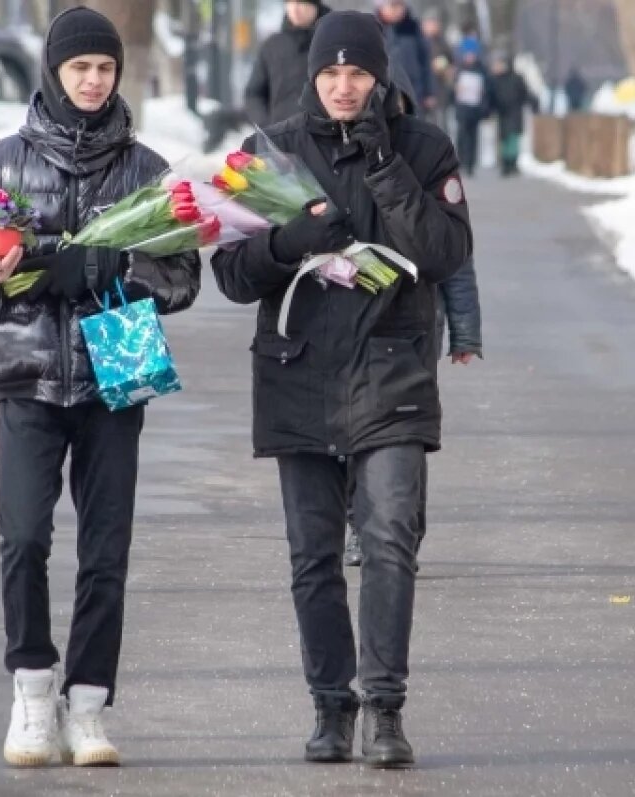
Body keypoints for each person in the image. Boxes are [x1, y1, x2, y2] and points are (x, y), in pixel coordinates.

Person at [0, 7, 200, 769]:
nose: (93, 80)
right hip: (27, 374)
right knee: (23, 535)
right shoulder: (1, 164)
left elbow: (182, 277)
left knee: (105, 546)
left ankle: (87, 703)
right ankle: (30, 689)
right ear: (54, 72)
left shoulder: (147, 171)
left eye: (105, 69)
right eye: (80, 68)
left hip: (115, 373)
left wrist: (117, 268)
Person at [210, 10, 472, 769]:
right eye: (331, 73)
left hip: (393, 369)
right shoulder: (273, 153)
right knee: (313, 556)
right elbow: (229, 274)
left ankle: (385, 709)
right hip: (299, 371)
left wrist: (386, 168)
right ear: (314, 75)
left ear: (380, 75)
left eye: (359, 73)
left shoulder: (424, 148)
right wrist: (290, 241)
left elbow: (446, 251)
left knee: (390, 538)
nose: (344, 86)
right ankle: (331, 706)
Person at [343, 68, 482, 568]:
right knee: (350, 430)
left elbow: (457, 263)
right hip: (351, 319)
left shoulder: (422, 161)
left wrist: (464, 331)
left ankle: (404, 528)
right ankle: (359, 525)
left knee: (405, 432)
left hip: (419, 323)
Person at [244, 0, 332, 128]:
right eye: (290, 2)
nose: (295, 9)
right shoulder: (272, 46)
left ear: (315, 5)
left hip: (325, 138)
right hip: (280, 138)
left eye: (301, 2)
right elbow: (254, 94)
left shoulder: (332, 43)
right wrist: (267, 126)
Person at [373, 0, 434, 118]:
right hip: (383, 90)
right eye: (393, 5)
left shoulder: (413, 29)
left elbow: (425, 62)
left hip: (414, 90)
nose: (397, 10)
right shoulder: (373, 29)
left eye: (400, 5)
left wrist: (429, 91)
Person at [489, 52, 539, 176]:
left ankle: (512, 163)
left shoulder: (516, 79)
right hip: (503, 113)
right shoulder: (497, 80)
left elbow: (525, 93)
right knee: (505, 139)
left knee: (513, 139)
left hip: (514, 112)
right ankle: (506, 163)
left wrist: (533, 103)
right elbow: (492, 97)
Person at [451, 39, 489, 176]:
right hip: (462, 108)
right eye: (467, 54)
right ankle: (461, 161)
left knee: (473, 136)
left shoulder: (481, 70)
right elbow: (452, 88)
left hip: (475, 108)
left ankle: (471, 164)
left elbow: (486, 90)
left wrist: (485, 106)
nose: (470, 57)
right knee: (462, 135)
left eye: (472, 54)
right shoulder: (459, 70)